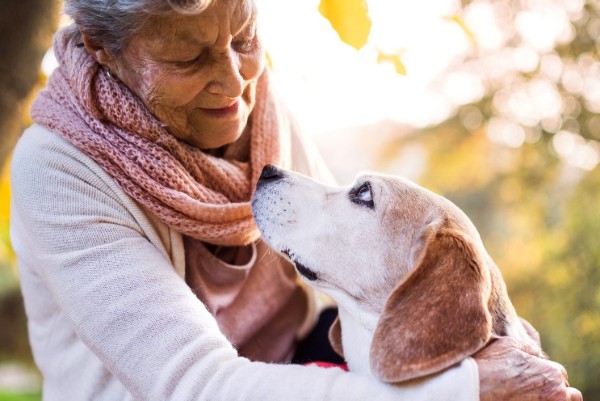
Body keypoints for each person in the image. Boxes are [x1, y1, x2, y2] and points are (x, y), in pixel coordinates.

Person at [9, 0, 581, 400]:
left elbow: (353, 266)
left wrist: (503, 345)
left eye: (244, 38)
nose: (235, 84)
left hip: (311, 363)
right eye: (188, 59)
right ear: (102, 49)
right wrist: (464, 390)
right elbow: (194, 387)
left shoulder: (254, 101)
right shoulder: (57, 171)